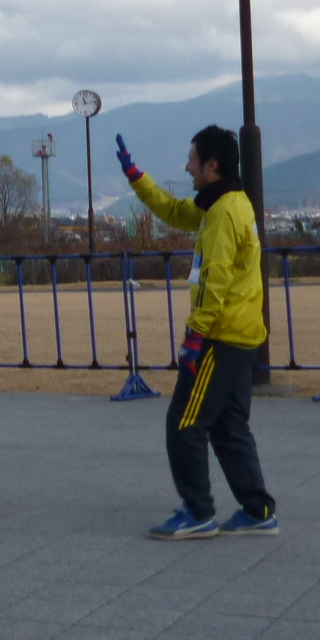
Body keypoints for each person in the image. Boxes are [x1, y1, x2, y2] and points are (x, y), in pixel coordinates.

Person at [117, 126, 278, 539]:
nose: (187, 167)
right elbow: (174, 212)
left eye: (192, 160)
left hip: (220, 337)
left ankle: (198, 511)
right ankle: (258, 510)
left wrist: (194, 337)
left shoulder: (223, 213)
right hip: (243, 335)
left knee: (184, 423)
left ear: (212, 166)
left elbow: (214, 278)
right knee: (229, 428)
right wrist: (137, 177)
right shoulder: (226, 203)